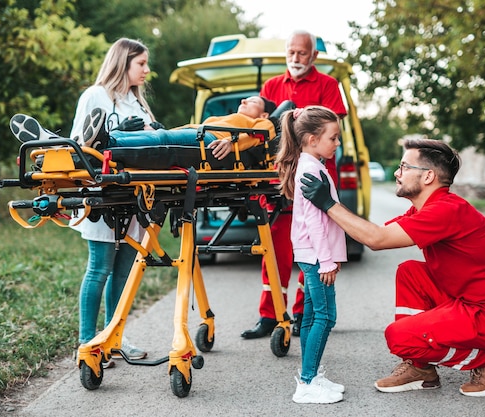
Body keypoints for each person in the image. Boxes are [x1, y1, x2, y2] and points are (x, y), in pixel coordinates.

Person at [299, 138, 485, 397]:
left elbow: (376, 240)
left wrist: (329, 204)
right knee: (410, 272)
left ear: (428, 176)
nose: (397, 173)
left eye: (404, 167)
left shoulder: (445, 211)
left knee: (399, 337)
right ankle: (420, 368)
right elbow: (375, 232)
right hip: (473, 303)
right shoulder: (427, 209)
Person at [242, 29, 347, 339]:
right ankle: (270, 314)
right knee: (273, 250)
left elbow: (332, 128)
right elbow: (258, 130)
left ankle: (303, 313)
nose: (296, 58)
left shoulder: (328, 85)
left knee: (312, 248)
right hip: (275, 180)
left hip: (313, 179)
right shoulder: (271, 85)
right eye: (291, 52)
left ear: (313, 56)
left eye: (302, 53)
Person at [70, 38, 157, 367]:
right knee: (100, 268)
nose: (146, 70)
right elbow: (80, 144)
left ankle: (114, 336)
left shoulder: (137, 101)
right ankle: (88, 343)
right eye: (141, 64)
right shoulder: (96, 96)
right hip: (101, 193)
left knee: (124, 272)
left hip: (133, 194)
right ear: (123, 63)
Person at [275, 105, 346, 404]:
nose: (338, 143)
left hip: (312, 253)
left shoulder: (312, 163)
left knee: (311, 316)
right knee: (326, 317)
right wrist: (327, 260)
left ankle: (311, 374)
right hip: (317, 255)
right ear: (311, 139)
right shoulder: (310, 169)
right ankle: (305, 383)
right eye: (334, 137)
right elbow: (316, 222)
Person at [80, 96, 278, 161]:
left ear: (263, 114)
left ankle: (107, 143)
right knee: (161, 135)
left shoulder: (261, 123)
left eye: (252, 101)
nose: (244, 100)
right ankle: (90, 142)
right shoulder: (226, 118)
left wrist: (232, 142)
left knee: (163, 138)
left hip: (211, 141)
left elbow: (264, 134)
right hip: (200, 133)